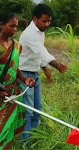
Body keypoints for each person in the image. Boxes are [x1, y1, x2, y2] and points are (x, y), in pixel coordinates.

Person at [0, 13, 36, 150]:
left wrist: (25, 80)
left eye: (16, 26)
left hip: (11, 88)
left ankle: (5, 149)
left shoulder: (17, 45)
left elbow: (14, 67)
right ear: (1, 25)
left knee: (10, 120)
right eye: (11, 26)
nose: (14, 29)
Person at [19, 4, 68, 141]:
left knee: (38, 108)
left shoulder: (40, 32)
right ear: (35, 19)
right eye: (44, 21)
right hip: (25, 75)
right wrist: (57, 65)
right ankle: (26, 142)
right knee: (28, 110)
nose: (47, 24)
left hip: (34, 74)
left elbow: (36, 54)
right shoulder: (29, 34)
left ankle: (34, 137)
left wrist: (45, 69)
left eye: (49, 21)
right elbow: (42, 52)